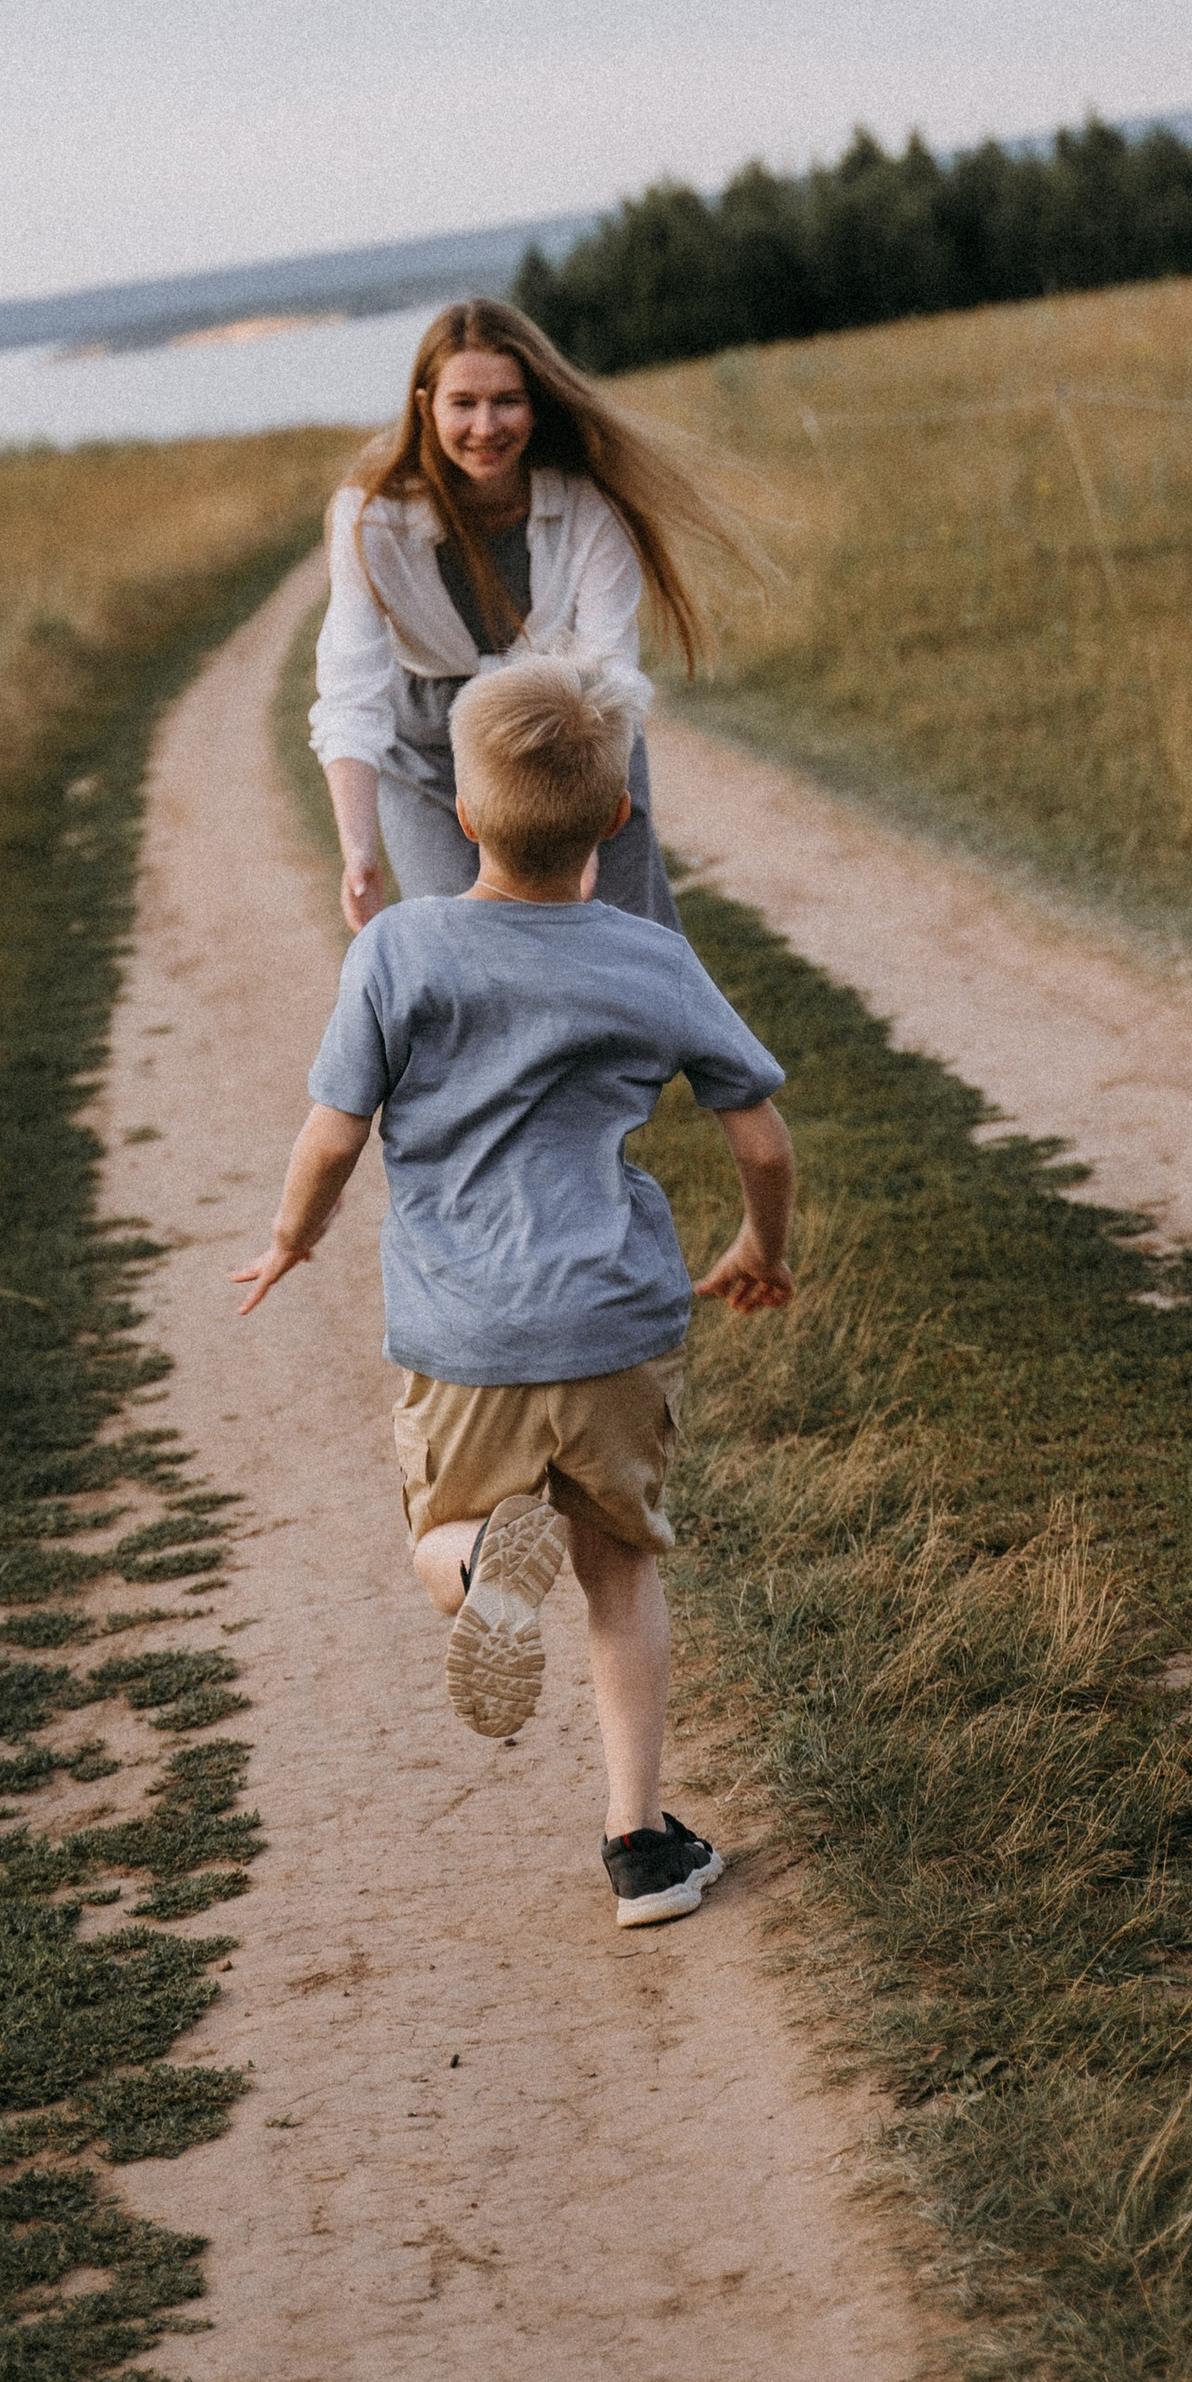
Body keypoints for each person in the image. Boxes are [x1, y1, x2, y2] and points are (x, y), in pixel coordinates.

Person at [234, 650, 795, 1927]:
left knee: (443, 1539)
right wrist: (760, 1247)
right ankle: (640, 1850)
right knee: (619, 1574)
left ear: (465, 816)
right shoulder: (650, 959)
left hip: (464, 1330)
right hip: (610, 1322)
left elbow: (333, 1136)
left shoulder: (398, 952)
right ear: (616, 816)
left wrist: (293, 1238)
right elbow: (759, 1136)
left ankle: (481, 1555)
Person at [308, 295, 750, 935]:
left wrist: (589, 837)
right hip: (432, 751)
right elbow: (351, 695)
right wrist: (359, 851)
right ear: (425, 404)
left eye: (507, 400)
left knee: (623, 938)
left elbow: (607, 671)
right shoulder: (370, 516)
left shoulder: (590, 504)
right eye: (463, 402)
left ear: (537, 404)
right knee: (473, 950)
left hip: (572, 726)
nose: (485, 426)